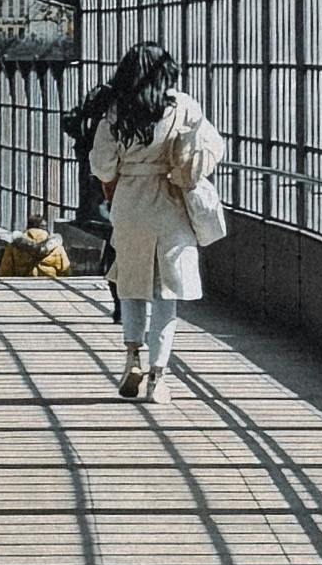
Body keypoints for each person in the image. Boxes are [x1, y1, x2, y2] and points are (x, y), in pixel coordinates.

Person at [73, 40, 225, 408]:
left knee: (132, 285)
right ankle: (159, 377)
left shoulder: (116, 112)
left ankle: (131, 359)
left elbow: (102, 166)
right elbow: (207, 151)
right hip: (171, 204)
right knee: (165, 295)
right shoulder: (184, 106)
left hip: (130, 203)